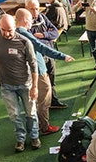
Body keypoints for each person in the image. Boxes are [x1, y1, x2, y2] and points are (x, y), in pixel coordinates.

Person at [15, 8, 74, 136]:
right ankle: (44, 126)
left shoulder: (16, 33)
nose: (32, 22)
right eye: (30, 19)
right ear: (25, 20)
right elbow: (41, 46)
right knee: (43, 98)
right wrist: (62, 56)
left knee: (34, 101)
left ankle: (36, 125)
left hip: (26, 71)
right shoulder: (24, 33)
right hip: (38, 70)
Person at [0, 14, 40, 153]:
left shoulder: (24, 42)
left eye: (10, 30)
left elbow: (34, 65)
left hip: (25, 83)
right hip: (6, 85)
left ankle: (34, 136)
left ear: (15, 27)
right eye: (3, 30)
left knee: (31, 113)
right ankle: (20, 139)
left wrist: (34, 87)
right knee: (14, 115)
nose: (7, 33)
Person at [25, 0, 65, 109]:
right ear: (26, 9)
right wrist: (46, 37)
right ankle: (43, 106)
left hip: (49, 54)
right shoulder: (25, 22)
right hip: (37, 57)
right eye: (32, 9)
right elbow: (32, 42)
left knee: (51, 79)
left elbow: (55, 33)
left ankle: (53, 100)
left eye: (37, 9)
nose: (35, 12)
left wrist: (44, 35)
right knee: (42, 83)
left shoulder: (42, 17)